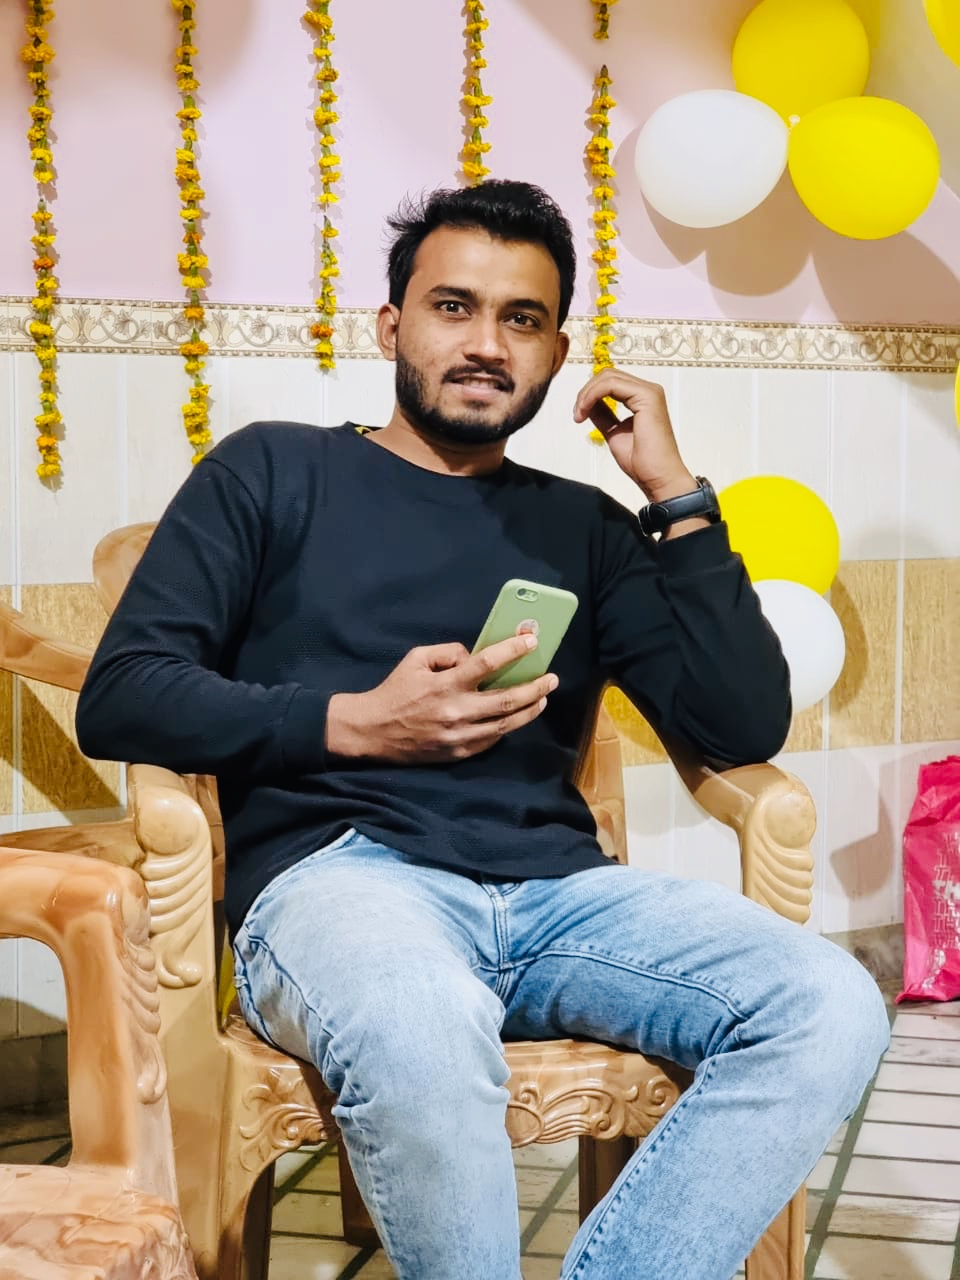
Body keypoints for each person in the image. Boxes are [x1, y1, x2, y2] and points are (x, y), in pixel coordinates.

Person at [76, 179, 889, 1280]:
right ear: (391, 325)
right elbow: (124, 692)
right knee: (419, 1018)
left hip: (559, 895)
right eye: (453, 306)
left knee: (830, 1002)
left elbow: (739, 722)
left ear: (557, 355)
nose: (486, 344)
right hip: (340, 884)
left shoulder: (587, 527)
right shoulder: (270, 470)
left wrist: (676, 496)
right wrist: (354, 724)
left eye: (522, 319)